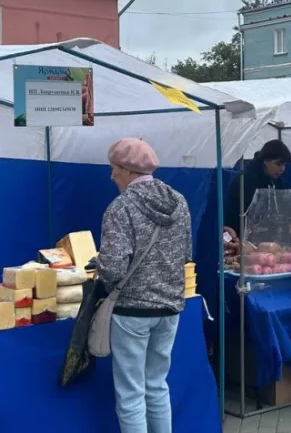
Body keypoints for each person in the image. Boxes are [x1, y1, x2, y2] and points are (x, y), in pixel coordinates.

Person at [98, 138, 192, 433]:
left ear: (127, 170)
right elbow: (185, 254)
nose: (112, 176)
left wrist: (98, 265)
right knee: (156, 385)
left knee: (130, 393)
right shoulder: (179, 201)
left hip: (132, 311)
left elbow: (112, 267)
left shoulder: (121, 207)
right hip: (170, 307)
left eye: (114, 169)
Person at [222, 139, 291, 250]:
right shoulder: (246, 181)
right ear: (266, 161)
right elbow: (250, 216)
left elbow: (280, 208)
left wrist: (287, 226)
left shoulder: (275, 180)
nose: (282, 169)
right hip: (239, 240)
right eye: (278, 164)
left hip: (263, 241)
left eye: (284, 165)